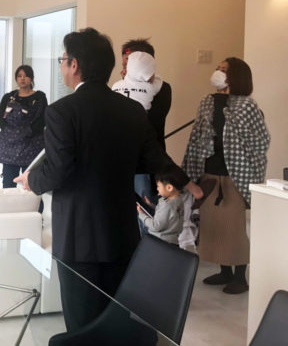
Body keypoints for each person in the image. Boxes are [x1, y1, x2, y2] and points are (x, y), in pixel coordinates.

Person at [14, 28, 198, 333]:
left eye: (62, 60)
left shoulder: (62, 111)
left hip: (78, 239)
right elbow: (154, 160)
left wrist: (32, 179)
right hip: (122, 236)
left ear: (74, 65)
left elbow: (58, 170)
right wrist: (188, 183)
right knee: (116, 321)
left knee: (81, 327)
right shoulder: (132, 110)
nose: (62, 66)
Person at [182, 57, 270, 295]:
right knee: (213, 226)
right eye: (218, 68)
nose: (218, 72)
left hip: (235, 174)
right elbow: (197, 135)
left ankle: (240, 276)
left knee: (234, 229)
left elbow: (260, 142)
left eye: (223, 70)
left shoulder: (247, 106)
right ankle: (224, 271)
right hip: (210, 172)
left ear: (236, 77)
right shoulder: (207, 101)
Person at [120, 39, 172, 210]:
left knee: (146, 208)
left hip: (148, 162)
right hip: (123, 160)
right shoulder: (120, 87)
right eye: (124, 65)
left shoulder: (163, 88)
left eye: (129, 64)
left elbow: (151, 122)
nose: (125, 69)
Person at [0, 65, 47, 188]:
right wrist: (14, 133)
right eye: (19, 76)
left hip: (32, 145)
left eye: (26, 76)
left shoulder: (40, 97)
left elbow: (42, 119)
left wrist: (26, 131)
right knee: (8, 183)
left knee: (31, 184)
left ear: (31, 78)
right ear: (16, 78)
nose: (22, 78)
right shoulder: (8, 97)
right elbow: (1, 120)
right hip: (10, 147)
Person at [137, 163, 186, 245]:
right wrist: (151, 205)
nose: (157, 189)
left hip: (159, 242)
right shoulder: (179, 200)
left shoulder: (167, 205)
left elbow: (155, 226)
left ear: (169, 187)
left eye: (158, 186)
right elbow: (167, 215)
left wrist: (141, 214)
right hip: (173, 240)